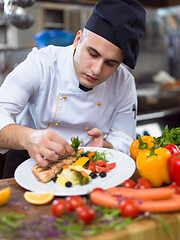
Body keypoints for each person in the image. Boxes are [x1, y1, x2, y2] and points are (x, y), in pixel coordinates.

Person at [0, 0, 146, 178]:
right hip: (27, 164)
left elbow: (124, 138)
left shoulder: (124, 82)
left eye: (110, 63)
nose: (96, 70)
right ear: (78, 39)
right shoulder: (42, 64)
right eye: (92, 54)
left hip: (87, 168)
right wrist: (28, 138)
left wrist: (105, 146)